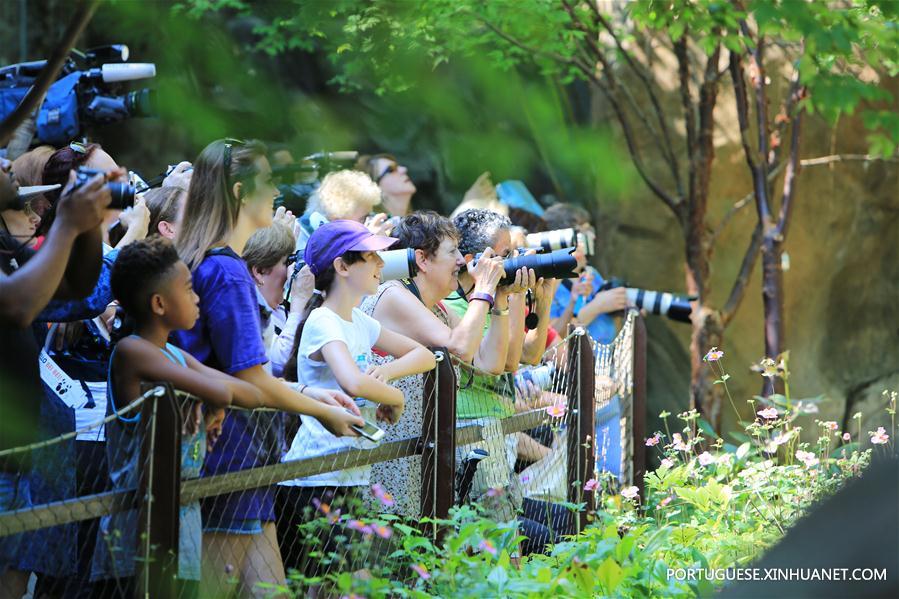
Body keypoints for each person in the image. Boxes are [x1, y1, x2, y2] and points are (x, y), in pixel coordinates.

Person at [172, 138, 362, 596]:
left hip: (246, 458)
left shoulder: (217, 264)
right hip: (227, 458)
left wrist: (310, 394)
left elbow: (242, 374)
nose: (277, 190)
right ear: (239, 192)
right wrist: (320, 411)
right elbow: (250, 377)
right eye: (269, 181)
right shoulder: (226, 271)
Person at [91, 237, 267, 597]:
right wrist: (211, 400)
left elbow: (250, 394)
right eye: (188, 289)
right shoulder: (132, 352)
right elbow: (224, 391)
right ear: (159, 303)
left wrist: (208, 400)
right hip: (136, 531)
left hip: (180, 526)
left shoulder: (173, 354)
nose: (197, 298)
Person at [277, 219, 435, 575]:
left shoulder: (360, 322)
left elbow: (425, 356)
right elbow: (352, 382)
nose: (381, 263)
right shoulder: (324, 320)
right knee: (340, 584)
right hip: (315, 477)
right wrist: (395, 397)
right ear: (342, 266)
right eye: (371, 256)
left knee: (335, 585)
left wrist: (387, 374)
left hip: (348, 475)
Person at [0, 160, 116, 599]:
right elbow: (16, 306)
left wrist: (89, 223)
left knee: (13, 582)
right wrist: (67, 224)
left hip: (16, 459)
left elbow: (80, 291)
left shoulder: (9, 257)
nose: (6, 161)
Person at [358, 210, 504, 516]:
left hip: (415, 453)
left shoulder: (435, 308)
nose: (461, 261)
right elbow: (460, 346)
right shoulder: (392, 293)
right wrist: (484, 291)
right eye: (452, 252)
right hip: (388, 454)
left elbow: (489, 362)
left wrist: (502, 300)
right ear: (422, 259)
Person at [543, 202, 625, 345]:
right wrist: (597, 306)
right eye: (585, 231)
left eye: (591, 229)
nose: (592, 236)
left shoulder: (591, 273)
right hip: (574, 358)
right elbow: (550, 340)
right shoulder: (550, 283)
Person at [296, 169, 392, 254]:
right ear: (336, 219)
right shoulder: (298, 241)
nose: (368, 223)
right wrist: (367, 243)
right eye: (363, 219)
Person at [355, 153, 416, 218]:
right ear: (375, 189)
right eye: (391, 170)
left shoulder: (417, 221)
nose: (403, 169)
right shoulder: (374, 224)